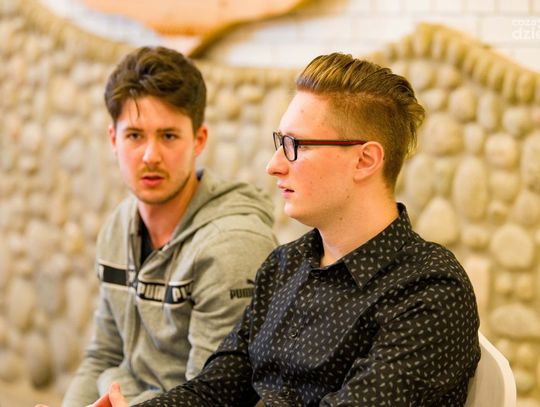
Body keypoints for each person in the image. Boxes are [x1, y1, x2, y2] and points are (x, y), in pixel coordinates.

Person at [80, 52, 481, 406]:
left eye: (295, 146)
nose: (274, 165)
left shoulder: (428, 289)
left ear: (364, 161)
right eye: (279, 143)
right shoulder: (286, 265)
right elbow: (215, 390)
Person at [59, 46, 277, 406]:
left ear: (199, 140)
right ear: (113, 139)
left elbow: (210, 398)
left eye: (169, 136)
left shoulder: (231, 246)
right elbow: (103, 355)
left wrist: (122, 396)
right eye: (134, 135)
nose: (150, 156)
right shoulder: (118, 227)